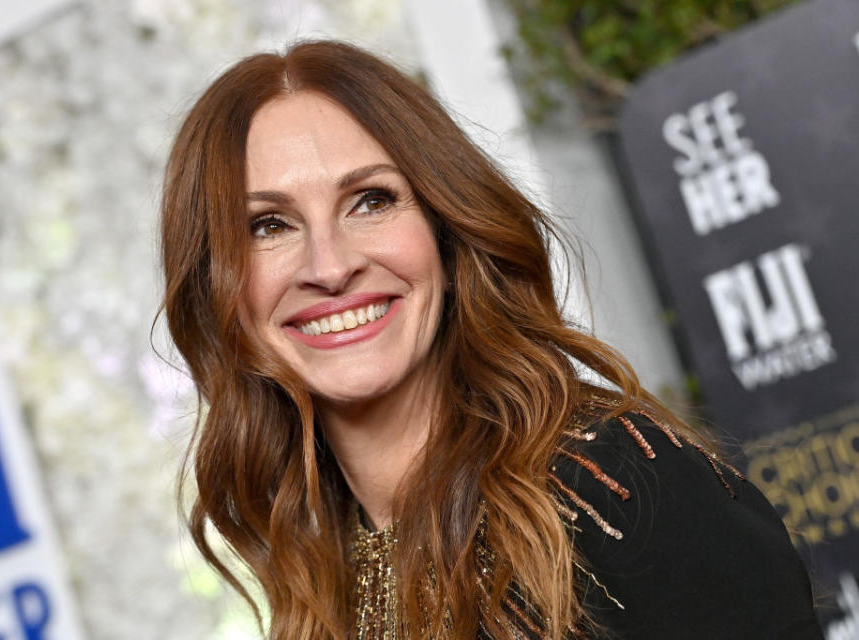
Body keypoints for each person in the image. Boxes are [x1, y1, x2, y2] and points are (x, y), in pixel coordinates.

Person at [158, 40, 822, 639]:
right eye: (268, 225)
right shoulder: (320, 568)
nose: (329, 268)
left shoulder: (619, 485)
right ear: (218, 288)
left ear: (447, 231)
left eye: (372, 200)